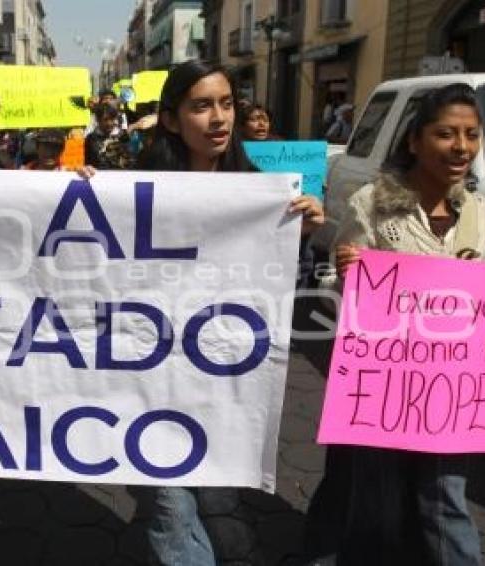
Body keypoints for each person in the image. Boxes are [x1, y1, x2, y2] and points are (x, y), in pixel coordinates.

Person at [91, 59, 322, 565]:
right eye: (201, 106)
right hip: (147, 378)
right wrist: (79, 197)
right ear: (172, 120)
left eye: (226, 104)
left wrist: (300, 237)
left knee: (206, 496)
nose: (219, 118)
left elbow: (280, 292)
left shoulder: (260, 191)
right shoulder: (132, 189)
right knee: (172, 505)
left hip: (217, 377)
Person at [306, 83, 485, 566]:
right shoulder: (374, 203)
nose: (461, 147)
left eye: (471, 135)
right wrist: (345, 274)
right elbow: (331, 285)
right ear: (415, 141)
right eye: (445, 133)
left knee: (446, 500)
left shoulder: (479, 211)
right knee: (379, 505)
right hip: (385, 388)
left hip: (451, 388)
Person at [84, 103, 132, 169]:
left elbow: (129, 160)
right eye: (106, 120)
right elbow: (88, 163)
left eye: (112, 119)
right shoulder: (91, 138)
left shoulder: (123, 136)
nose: (109, 123)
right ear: (98, 120)